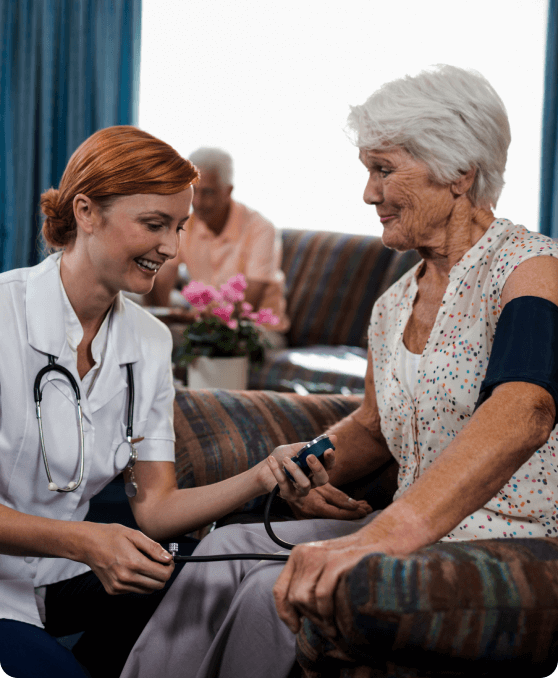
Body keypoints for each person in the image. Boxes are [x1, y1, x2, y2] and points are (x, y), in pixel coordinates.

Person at [119, 65, 558, 678]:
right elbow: (375, 428)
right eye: (367, 171)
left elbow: (526, 408)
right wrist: (308, 466)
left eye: (383, 169)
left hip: (503, 534)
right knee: (220, 548)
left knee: (263, 599)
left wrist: (385, 535)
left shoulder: (529, 268)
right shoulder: (395, 303)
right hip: (414, 525)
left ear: (459, 170)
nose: (368, 194)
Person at [0, 126, 335, 678]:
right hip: (24, 579)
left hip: (61, 579)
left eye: (180, 228)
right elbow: (91, 538)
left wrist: (264, 474)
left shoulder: (150, 340)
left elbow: (155, 508)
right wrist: (84, 540)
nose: (172, 249)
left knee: (204, 587)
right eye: (154, 225)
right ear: (86, 211)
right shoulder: (6, 314)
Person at [144, 147, 290, 345]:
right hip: (202, 323)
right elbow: (162, 280)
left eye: (208, 192)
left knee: (183, 342)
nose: (198, 202)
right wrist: (164, 322)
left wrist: (190, 321)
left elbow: (249, 303)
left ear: (228, 191)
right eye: (193, 191)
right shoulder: (185, 223)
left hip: (254, 330)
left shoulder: (261, 228)